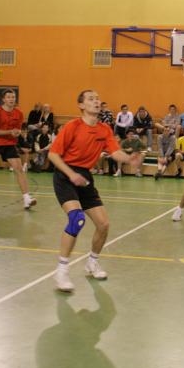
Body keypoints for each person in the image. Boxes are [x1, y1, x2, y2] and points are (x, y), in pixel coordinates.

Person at [47, 90, 135, 292]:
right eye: (91, 99)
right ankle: (61, 271)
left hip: (84, 177)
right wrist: (71, 174)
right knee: (77, 219)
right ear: (81, 105)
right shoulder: (72, 126)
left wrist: (130, 158)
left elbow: (115, 152)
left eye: (97, 99)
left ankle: (92, 263)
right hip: (65, 175)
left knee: (103, 224)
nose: (96, 101)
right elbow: (53, 155)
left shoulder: (104, 129)